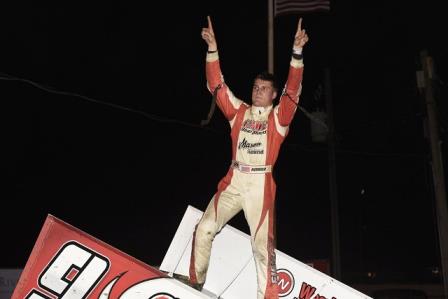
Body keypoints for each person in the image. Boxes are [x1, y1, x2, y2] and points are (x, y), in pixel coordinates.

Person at [189, 15, 309, 299]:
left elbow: (293, 91)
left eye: (264, 89)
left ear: (273, 94)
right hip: (234, 178)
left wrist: (297, 53)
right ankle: (193, 282)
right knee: (205, 227)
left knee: (261, 247)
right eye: (255, 87)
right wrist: (212, 49)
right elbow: (217, 85)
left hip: (260, 184)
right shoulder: (239, 111)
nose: (257, 92)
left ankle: (266, 295)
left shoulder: (279, 117)